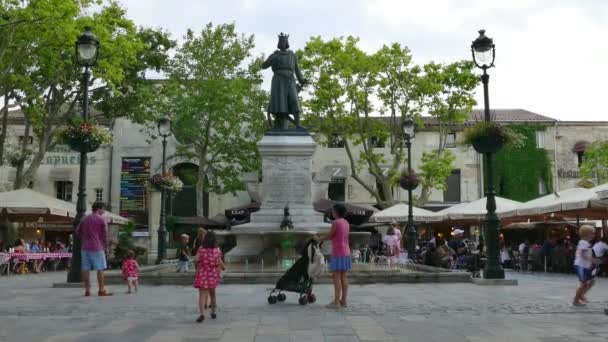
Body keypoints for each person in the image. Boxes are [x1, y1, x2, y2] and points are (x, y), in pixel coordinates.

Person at [318, 203, 351, 309]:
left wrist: (318, 238)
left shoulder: (335, 222)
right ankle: (344, 300)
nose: (332, 212)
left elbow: (330, 235)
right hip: (346, 252)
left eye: (333, 210)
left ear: (336, 212)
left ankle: (336, 302)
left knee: (336, 277)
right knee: (344, 277)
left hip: (338, 252)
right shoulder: (346, 222)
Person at [76, 201, 112, 297]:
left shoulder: (84, 218)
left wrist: (84, 238)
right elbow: (105, 235)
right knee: (100, 268)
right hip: (97, 247)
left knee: (85, 268)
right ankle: (101, 290)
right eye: (103, 209)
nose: (104, 211)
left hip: (85, 247)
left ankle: (87, 290)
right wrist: (106, 246)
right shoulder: (101, 219)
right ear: (99, 209)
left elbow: (78, 232)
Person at [193, 231, 225, 323]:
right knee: (213, 294)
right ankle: (213, 312)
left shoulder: (201, 249)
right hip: (213, 274)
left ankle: (202, 314)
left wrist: (197, 266)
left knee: (202, 295)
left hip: (203, 274)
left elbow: (196, 259)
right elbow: (219, 261)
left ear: (205, 239)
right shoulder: (217, 250)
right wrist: (223, 267)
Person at [573, 225, 596, 306]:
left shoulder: (586, 243)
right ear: (586, 234)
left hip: (585, 266)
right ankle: (576, 300)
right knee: (584, 283)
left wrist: (591, 263)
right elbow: (583, 255)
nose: (594, 235)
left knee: (591, 282)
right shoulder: (583, 242)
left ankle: (581, 295)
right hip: (580, 266)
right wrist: (592, 260)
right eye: (592, 233)